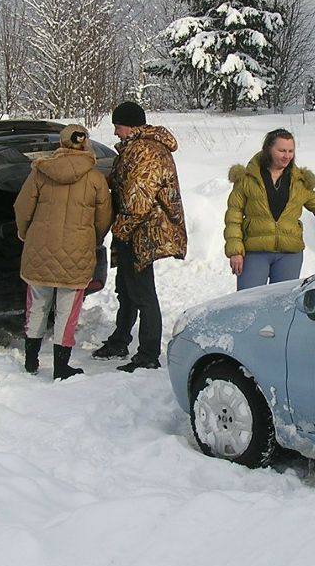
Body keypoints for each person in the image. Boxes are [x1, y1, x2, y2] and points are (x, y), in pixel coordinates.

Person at [92, 101, 187, 372]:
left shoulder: (146, 151)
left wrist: (119, 230)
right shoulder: (135, 148)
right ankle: (120, 340)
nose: (115, 133)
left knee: (143, 293)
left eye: (117, 126)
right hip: (134, 229)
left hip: (144, 230)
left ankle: (148, 354)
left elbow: (138, 200)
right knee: (126, 288)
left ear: (130, 125)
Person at [14, 124, 112, 381]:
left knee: (37, 306)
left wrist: (26, 234)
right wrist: (93, 238)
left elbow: (22, 207)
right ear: (85, 144)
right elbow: (104, 218)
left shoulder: (40, 172)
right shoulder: (96, 179)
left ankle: (31, 360)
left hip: (40, 248)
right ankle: (61, 366)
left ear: (61, 143)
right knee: (67, 311)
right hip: (77, 251)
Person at [223, 128, 315, 291]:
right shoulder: (246, 179)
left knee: (281, 305)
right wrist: (235, 251)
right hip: (255, 253)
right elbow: (233, 217)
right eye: (282, 150)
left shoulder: (299, 182)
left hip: (289, 255)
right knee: (247, 303)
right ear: (268, 149)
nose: (287, 156)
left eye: (291, 151)